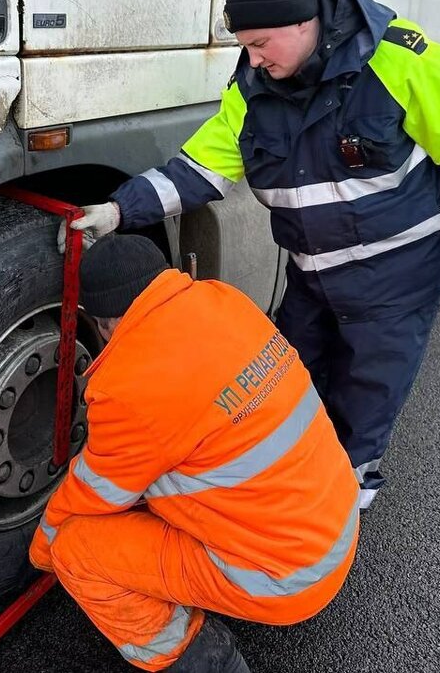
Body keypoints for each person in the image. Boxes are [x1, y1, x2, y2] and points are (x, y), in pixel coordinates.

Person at [63, 0, 440, 508]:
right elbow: (198, 170)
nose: (252, 58)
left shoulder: (399, 61)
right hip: (313, 272)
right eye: (245, 46)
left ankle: (345, 500)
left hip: (397, 274)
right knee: (291, 376)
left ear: (305, 23)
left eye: (260, 43)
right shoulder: (253, 88)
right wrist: (119, 210)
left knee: (369, 388)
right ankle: (294, 477)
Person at [30, 234, 359, 673]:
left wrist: (43, 546)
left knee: (77, 552)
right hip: (335, 523)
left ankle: (210, 663)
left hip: (287, 578)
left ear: (102, 322)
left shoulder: (130, 385)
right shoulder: (225, 300)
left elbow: (95, 492)